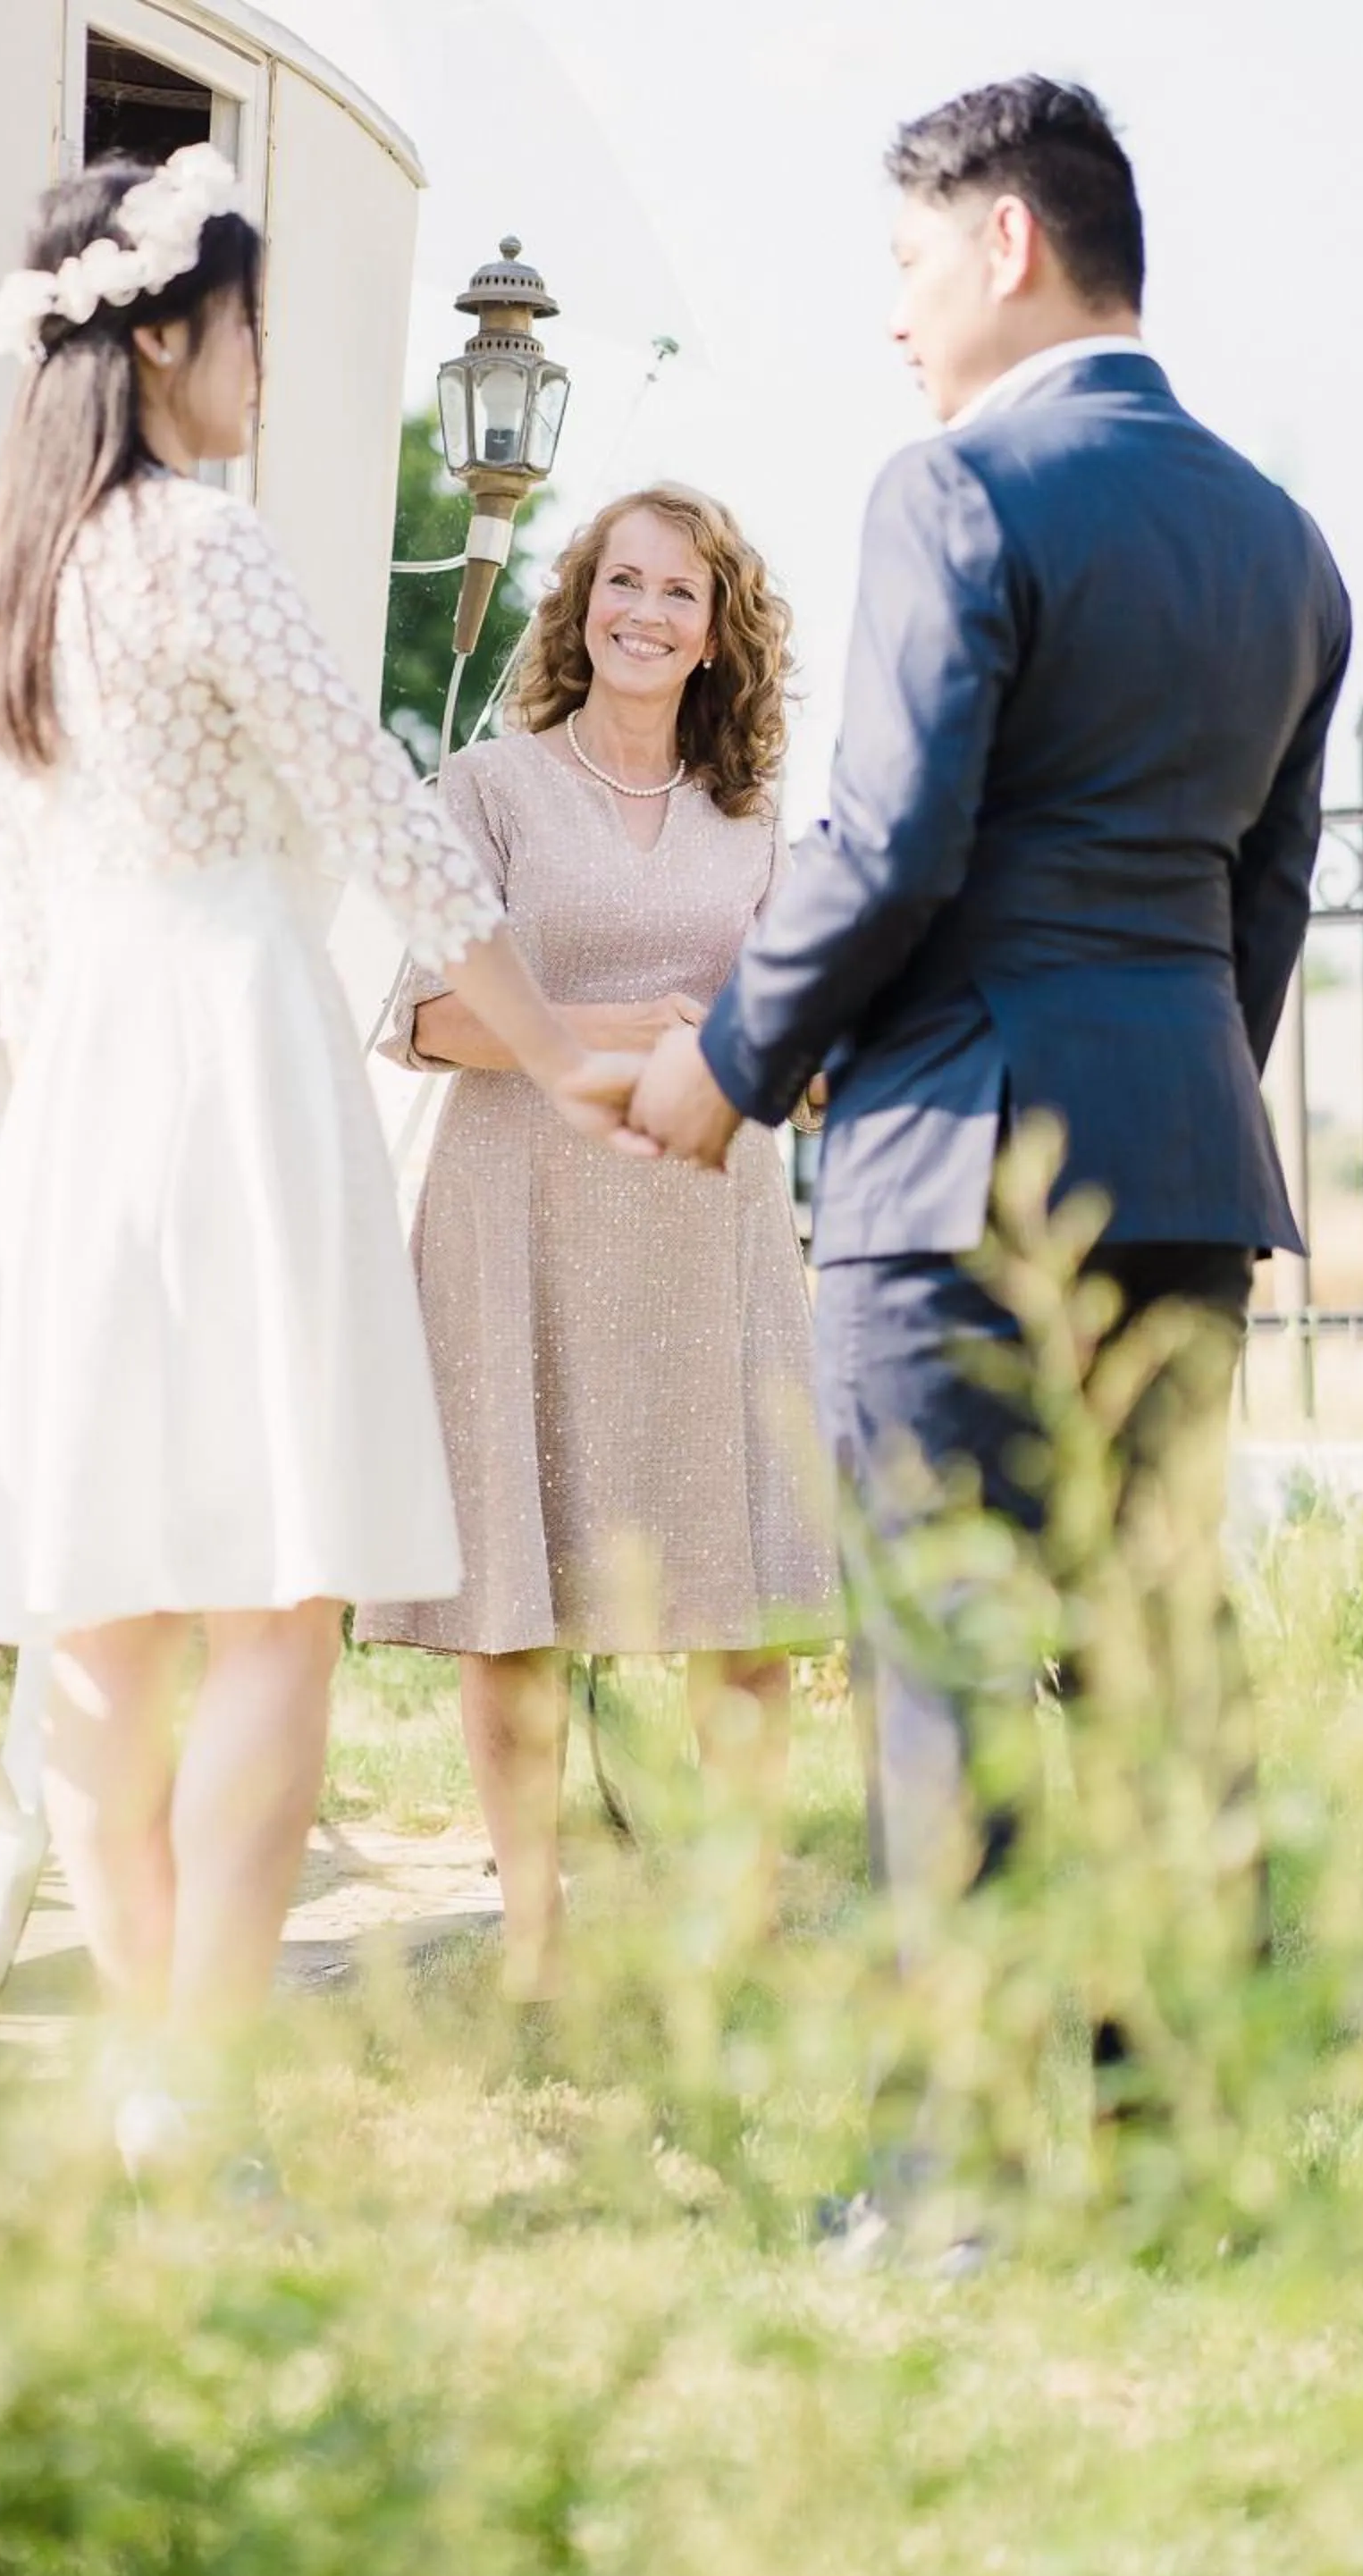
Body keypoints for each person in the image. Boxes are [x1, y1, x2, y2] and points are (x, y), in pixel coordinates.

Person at [630, 78, 1350, 2141]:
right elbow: (1263, 907)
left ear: (1008, 243)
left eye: (906, 262)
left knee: (944, 1665)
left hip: (949, 1182)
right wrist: (1176, 1091)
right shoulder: (1285, 546)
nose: (893, 316)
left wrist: (722, 1067)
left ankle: (959, 2165)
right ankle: (1170, 2120)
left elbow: (888, 850)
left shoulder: (949, 490)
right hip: (1185, 1178)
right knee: (1151, 1656)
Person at [0, 146, 648, 2170]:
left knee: (100, 1610)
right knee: (270, 1597)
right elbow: (393, 823)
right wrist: (558, 1058)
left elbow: (18, 924)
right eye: (247, 324)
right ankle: (203, 2078)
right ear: (167, 332)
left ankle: (148, 2070)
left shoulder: (11, 578)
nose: (262, 362)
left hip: (80, 1085)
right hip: (236, 1061)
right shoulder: (201, 546)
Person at [357, 487, 837, 2001]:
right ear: (581, 608)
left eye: (678, 593)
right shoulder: (490, 789)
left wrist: (780, 1048)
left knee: (742, 1604)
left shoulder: (755, 823)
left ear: (716, 635)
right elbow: (420, 1020)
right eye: (619, 583)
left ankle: (742, 1932)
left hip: (711, 1230)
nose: (644, 611)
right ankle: (536, 1940)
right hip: (520, 1224)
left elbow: (809, 1052)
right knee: (520, 1607)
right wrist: (605, 1027)